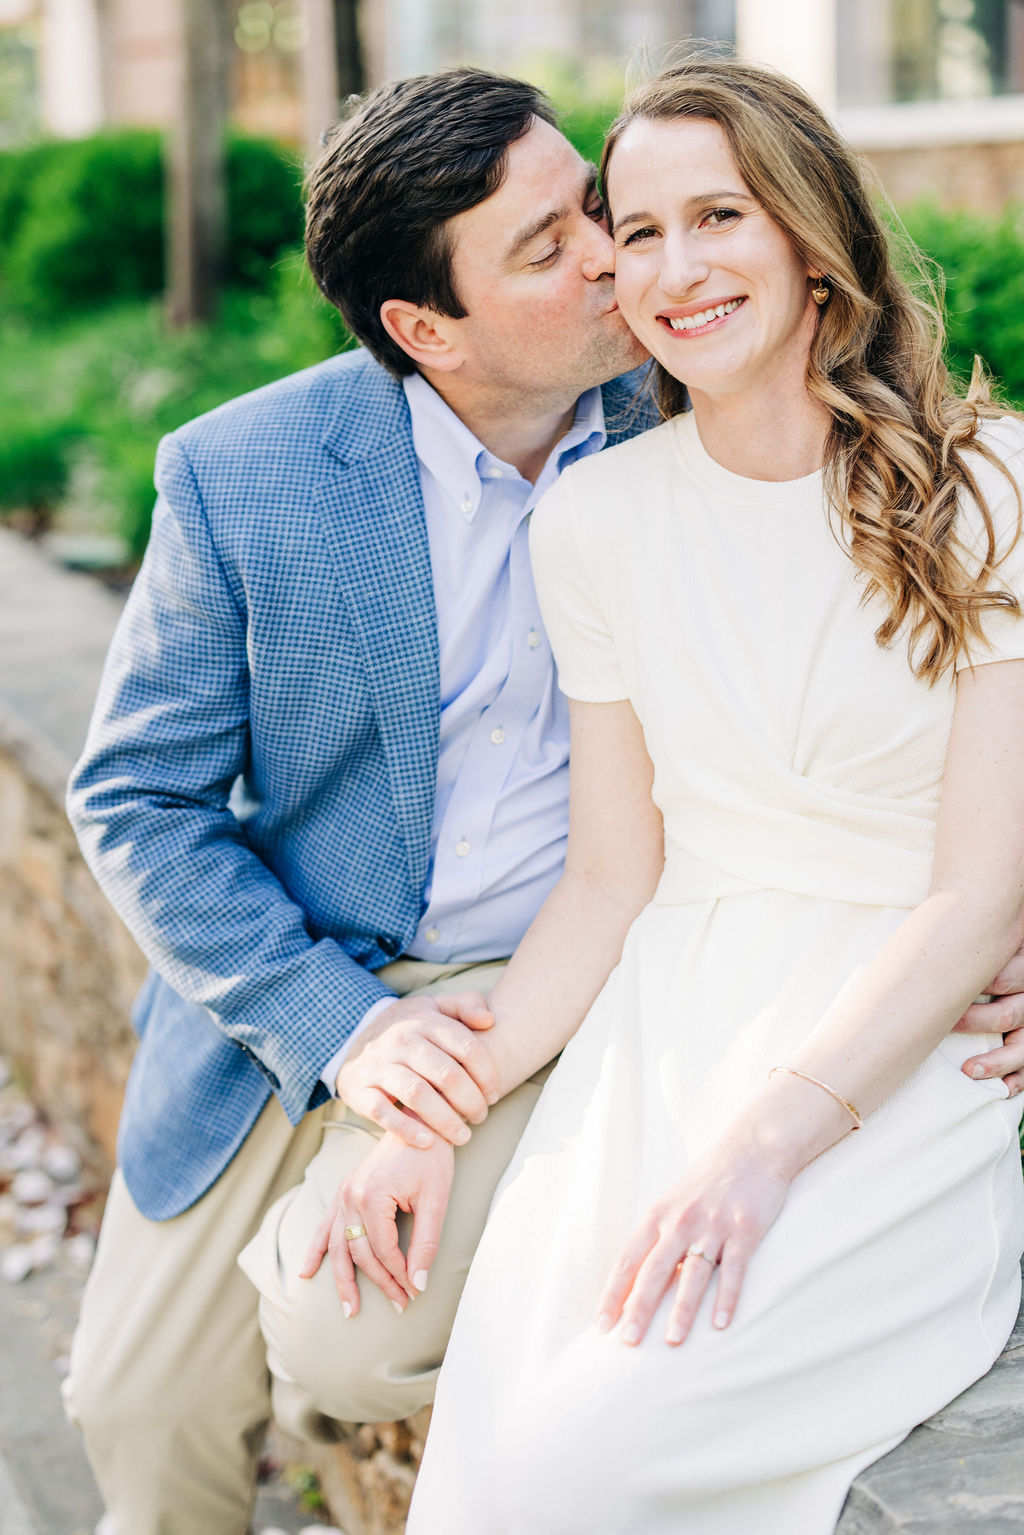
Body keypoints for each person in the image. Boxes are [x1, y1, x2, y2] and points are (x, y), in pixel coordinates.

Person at [402, 56, 1024, 1534]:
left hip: (888, 1058)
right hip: (660, 1044)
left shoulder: (985, 484)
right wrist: (433, 1115)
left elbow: (977, 890)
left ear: (812, 236)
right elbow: (613, 878)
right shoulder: (597, 522)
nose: (675, 269)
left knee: (583, 1461)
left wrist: (764, 1150)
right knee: (499, 1457)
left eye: (720, 216)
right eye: (639, 231)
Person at [62, 67, 652, 1535]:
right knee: (134, 1411)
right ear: (424, 328)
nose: (610, 254)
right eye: (547, 246)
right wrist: (341, 1027)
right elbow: (137, 796)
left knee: (349, 1338)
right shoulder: (243, 473)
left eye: (592, 204)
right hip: (299, 974)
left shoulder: (700, 416)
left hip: (549, 973)